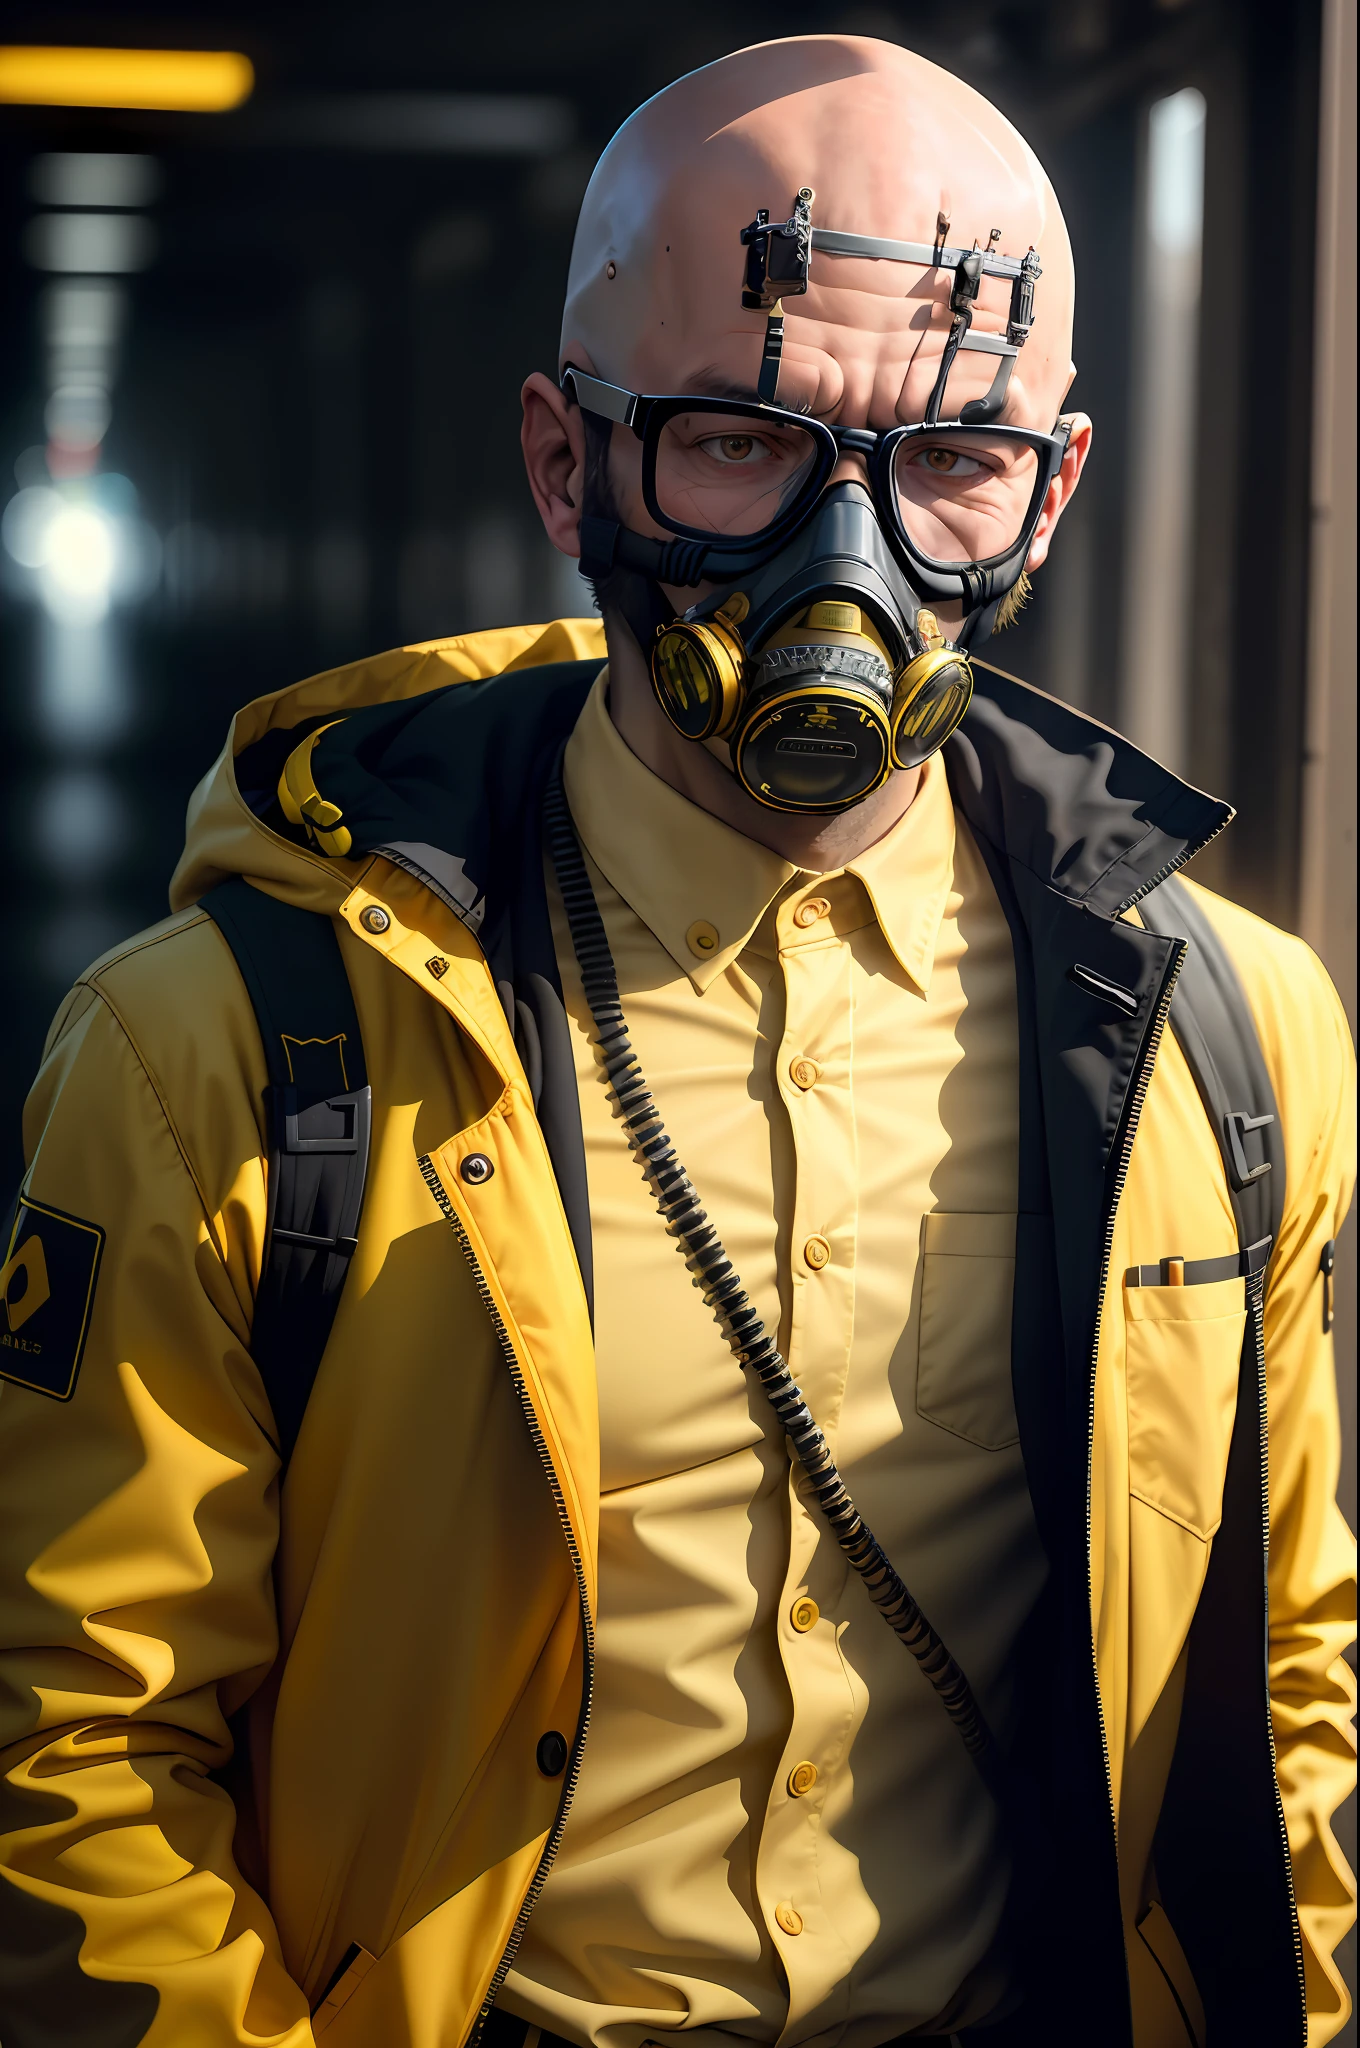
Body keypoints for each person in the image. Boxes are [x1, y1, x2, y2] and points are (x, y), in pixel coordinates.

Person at [0, 35, 1353, 2048]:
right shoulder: (213, 1061)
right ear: (565, 464)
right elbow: (75, 1754)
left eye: (951, 462)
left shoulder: (1229, 1039)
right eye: (738, 441)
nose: (850, 566)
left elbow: (1281, 1672)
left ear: (1048, 490)